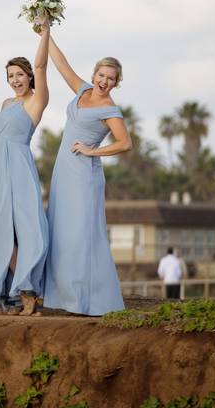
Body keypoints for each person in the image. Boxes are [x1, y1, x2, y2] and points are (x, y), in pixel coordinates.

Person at [43, 41, 132, 315]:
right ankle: (62, 296)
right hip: (63, 172)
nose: (104, 81)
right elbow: (60, 63)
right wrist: (46, 32)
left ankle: (85, 299)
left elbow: (125, 143)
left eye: (111, 78)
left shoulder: (110, 109)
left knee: (82, 234)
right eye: (101, 75)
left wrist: (94, 151)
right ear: (94, 75)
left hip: (84, 175)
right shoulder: (82, 89)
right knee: (61, 230)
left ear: (116, 83)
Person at [0, 15, 51, 316]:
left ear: (28, 76)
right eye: (10, 75)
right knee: (3, 236)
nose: (15, 79)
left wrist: (45, 32)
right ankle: (19, 292)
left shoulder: (37, 100)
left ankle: (29, 293)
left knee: (28, 232)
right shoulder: (6, 104)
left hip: (21, 170)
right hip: (0, 173)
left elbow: (41, 66)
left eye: (20, 74)